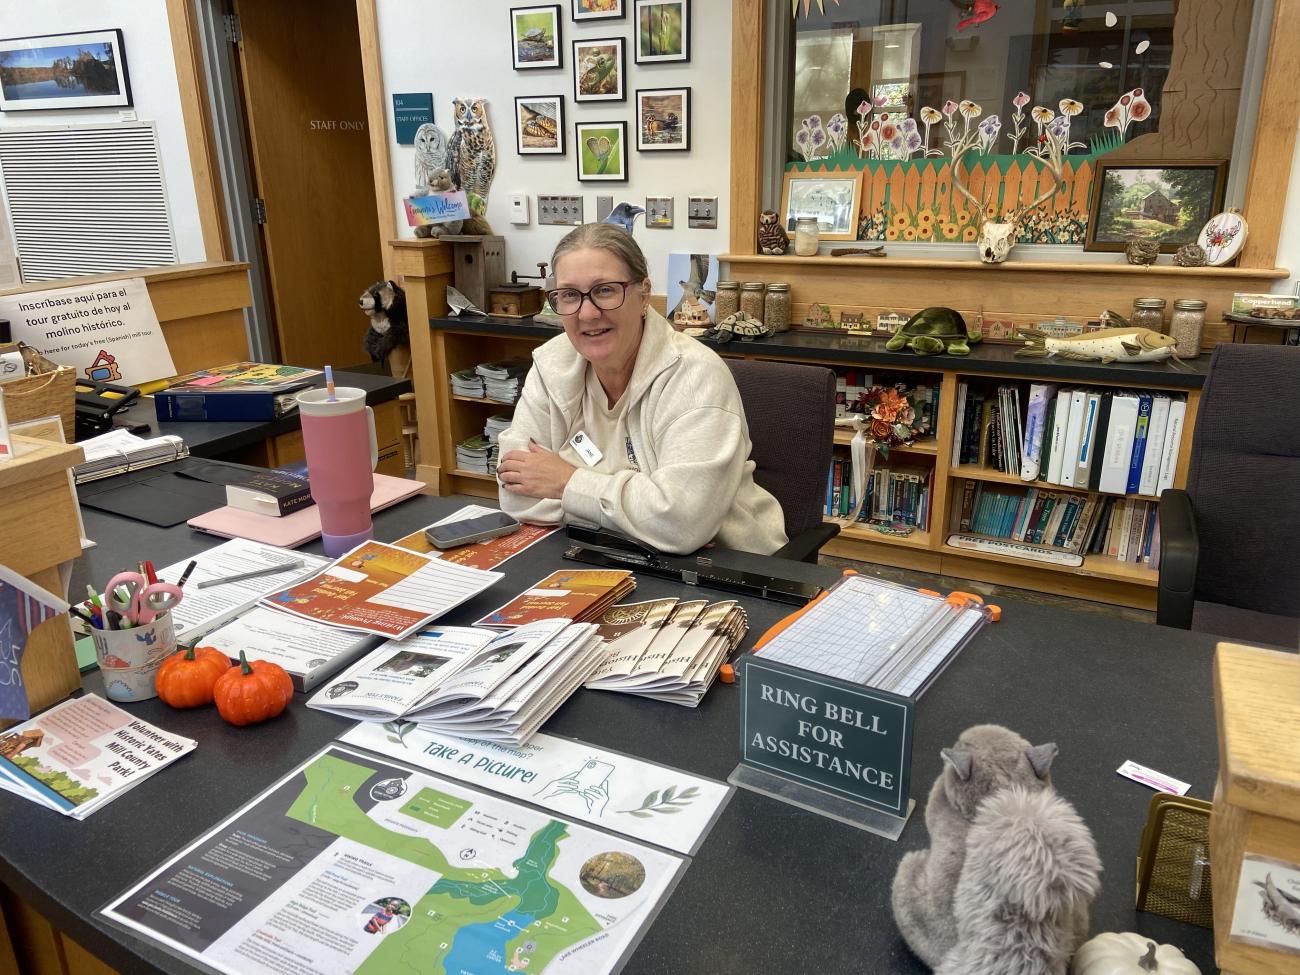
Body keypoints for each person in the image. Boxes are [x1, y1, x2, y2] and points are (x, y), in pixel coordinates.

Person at [496, 223, 787, 555]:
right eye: (570, 295)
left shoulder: (695, 377)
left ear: (643, 294)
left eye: (605, 290)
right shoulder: (552, 365)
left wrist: (565, 482)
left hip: (725, 566)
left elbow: (681, 524)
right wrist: (643, 515)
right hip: (603, 555)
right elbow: (515, 493)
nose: (587, 313)